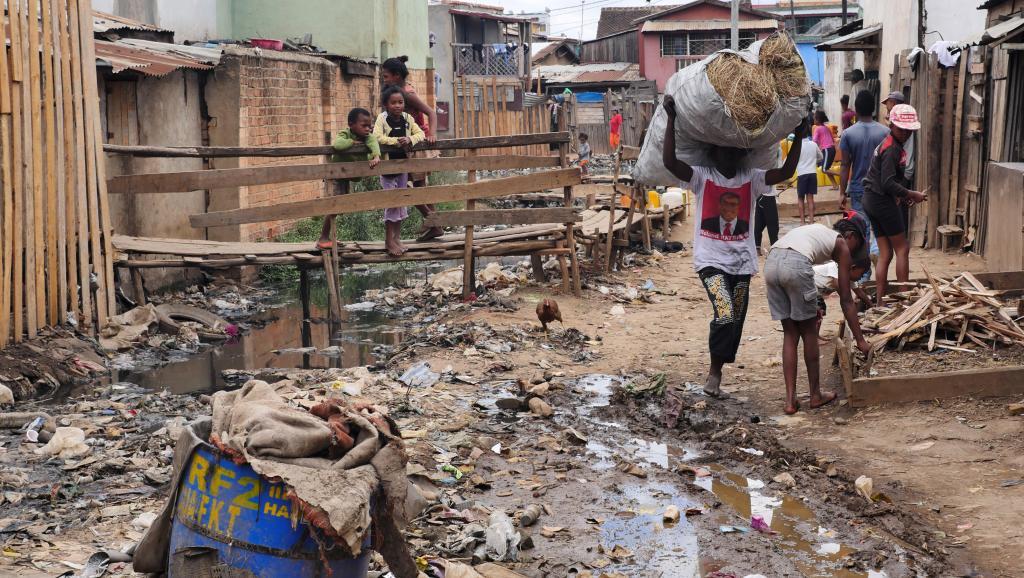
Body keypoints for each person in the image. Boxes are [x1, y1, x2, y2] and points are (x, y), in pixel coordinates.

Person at [661, 94, 808, 399]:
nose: (727, 157)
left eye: (733, 152)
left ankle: (720, 367)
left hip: (741, 263)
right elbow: (670, 163)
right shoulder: (703, 177)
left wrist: (799, 137)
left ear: (742, 154)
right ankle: (714, 373)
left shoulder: (751, 179)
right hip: (710, 260)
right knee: (725, 313)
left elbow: (785, 173)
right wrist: (672, 119)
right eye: (721, 151)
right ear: (712, 153)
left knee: (736, 321)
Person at [764, 213, 873, 415]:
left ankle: (790, 401)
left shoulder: (819, 231)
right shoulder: (841, 244)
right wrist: (860, 340)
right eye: (857, 244)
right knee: (809, 333)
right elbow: (847, 300)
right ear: (850, 235)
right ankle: (815, 395)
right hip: (795, 263)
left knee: (790, 333)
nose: (854, 252)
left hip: (771, 262)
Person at [862, 104, 928, 305]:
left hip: (871, 199)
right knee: (902, 249)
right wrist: (911, 193)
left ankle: (881, 301)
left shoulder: (890, 144)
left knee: (886, 252)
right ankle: (904, 299)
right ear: (891, 125)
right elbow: (887, 182)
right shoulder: (891, 149)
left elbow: (888, 182)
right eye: (901, 129)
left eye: (908, 130)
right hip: (880, 201)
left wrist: (902, 196)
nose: (906, 133)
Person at [381, 56, 443, 242]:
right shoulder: (396, 92)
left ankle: (434, 223)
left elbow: (431, 112)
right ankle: (434, 224)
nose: (384, 80)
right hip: (406, 145)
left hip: (416, 145)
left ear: (396, 76)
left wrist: (431, 134)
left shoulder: (406, 94)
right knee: (416, 187)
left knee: (411, 188)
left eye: (385, 76)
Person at [318, 108, 382, 249]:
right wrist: (353, 143)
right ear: (351, 124)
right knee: (334, 205)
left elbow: (374, 144)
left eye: (369, 126)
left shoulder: (367, 137)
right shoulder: (345, 134)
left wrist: (376, 156)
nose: (367, 129)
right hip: (335, 175)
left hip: (346, 176)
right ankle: (323, 239)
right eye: (363, 125)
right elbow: (338, 145)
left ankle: (330, 238)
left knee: (339, 206)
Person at [373, 86, 425, 257]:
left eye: (400, 102)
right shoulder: (382, 118)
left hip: (403, 167)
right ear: (386, 105)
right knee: (392, 202)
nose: (397, 106)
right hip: (388, 168)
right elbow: (377, 137)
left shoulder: (408, 118)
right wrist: (396, 141)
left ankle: (397, 239)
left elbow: (421, 134)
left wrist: (410, 138)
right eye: (393, 103)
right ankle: (389, 241)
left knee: (401, 201)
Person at [838, 90, 889, 214]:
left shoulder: (847, 134)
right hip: (881, 188)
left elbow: (845, 165)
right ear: (873, 108)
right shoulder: (886, 133)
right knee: (880, 229)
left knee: (861, 228)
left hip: (858, 187)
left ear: (856, 109)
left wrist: (842, 193)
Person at [882, 91, 915, 234]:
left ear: (894, 103)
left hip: (902, 175)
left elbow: (907, 155)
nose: (886, 107)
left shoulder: (903, 132)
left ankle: (901, 236)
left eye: (888, 103)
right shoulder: (892, 143)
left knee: (899, 209)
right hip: (898, 175)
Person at [794, 132, 822, 224]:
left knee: (800, 198)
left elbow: (789, 160)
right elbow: (821, 157)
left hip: (802, 174)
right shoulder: (814, 144)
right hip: (812, 173)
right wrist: (814, 161)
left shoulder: (797, 146)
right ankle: (811, 221)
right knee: (810, 199)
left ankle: (802, 222)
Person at [812, 110, 839, 188]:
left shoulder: (818, 128)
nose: (813, 120)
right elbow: (832, 139)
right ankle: (835, 185)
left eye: (814, 119)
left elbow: (814, 142)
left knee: (824, 169)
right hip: (831, 149)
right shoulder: (826, 128)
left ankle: (842, 174)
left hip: (827, 150)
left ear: (818, 120)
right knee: (826, 169)